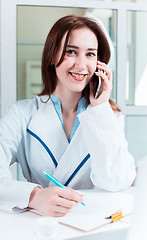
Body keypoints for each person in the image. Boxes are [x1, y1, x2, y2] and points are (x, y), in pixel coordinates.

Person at [0, 15, 136, 217]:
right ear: (52, 55)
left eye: (90, 54)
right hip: (39, 226)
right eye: (71, 52)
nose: (81, 65)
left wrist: (99, 108)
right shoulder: (20, 114)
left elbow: (116, 181)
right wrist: (33, 196)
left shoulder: (108, 117)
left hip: (92, 224)